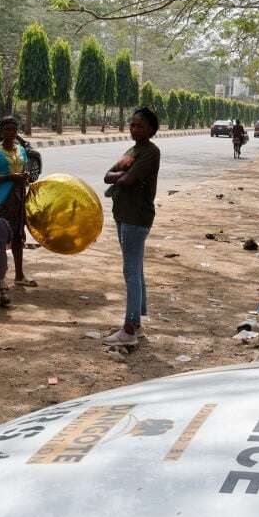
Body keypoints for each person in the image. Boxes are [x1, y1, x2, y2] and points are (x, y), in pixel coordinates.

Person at [103, 108, 161, 346]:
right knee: (136, 270)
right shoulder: (132, 151)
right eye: (133, 125)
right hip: (123, 216)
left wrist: (121, 175)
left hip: (136, 218)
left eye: (140, 126)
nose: (134, 129)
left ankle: (129, 329)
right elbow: (107, 176)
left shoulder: (150, 152)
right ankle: (136, 323)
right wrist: (121, 175)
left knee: (131, 272)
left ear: (151, 129)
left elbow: (128, 179)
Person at [0, 116, 36, 287]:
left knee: (18, 238)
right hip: (4, 201)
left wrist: (25, 177)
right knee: (0, 240)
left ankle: (19, 276)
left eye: (14, 129)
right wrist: (8, 177)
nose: (11, 132)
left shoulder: (20, 149)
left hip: (20, 199)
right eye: (7, 129)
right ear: (2, 131)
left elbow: (25, 169)